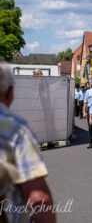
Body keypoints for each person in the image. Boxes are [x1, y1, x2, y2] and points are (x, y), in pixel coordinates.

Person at [0, 62, 55, 222]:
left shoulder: (43, 86)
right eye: (35, 74)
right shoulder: (15, 129)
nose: (37, 77)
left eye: (38, 74)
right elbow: (38, 196)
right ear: (11, 93)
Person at [83, 81, 92, 149]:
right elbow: (85, 102)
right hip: (89, 109)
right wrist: (84, 112)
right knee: (90, 127)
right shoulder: (88, 91)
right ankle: (90, 143)